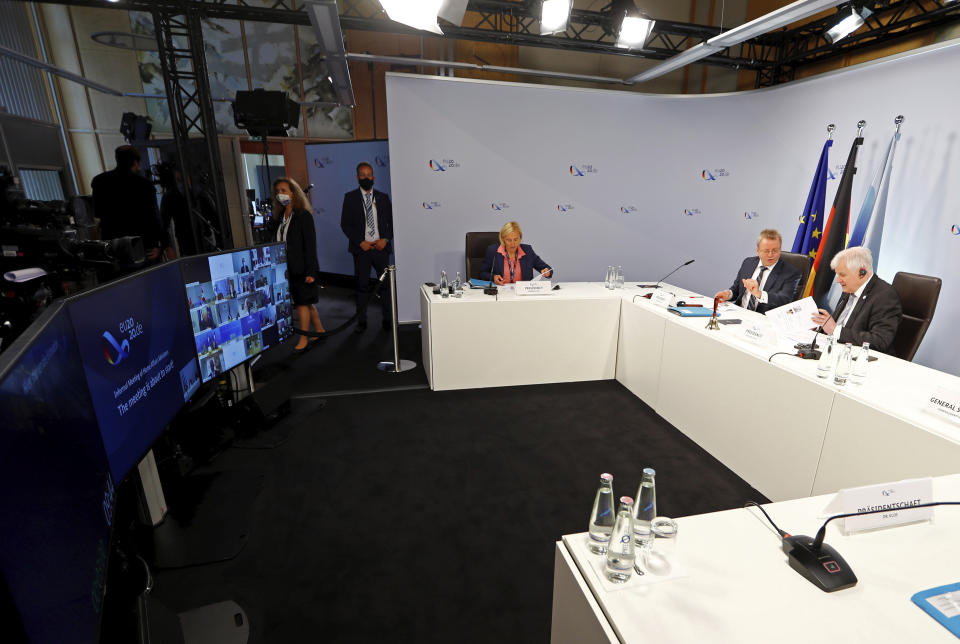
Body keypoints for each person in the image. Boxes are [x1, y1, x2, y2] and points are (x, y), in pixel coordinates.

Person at [810, 246, 902, 354]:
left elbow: (880, 341)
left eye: (842, 275)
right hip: (836, 351)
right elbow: (840, 325)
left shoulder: (885, 296)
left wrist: (835, 330)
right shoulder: (849, 289)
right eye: (837, 275)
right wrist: (820, 327)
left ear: (862, 272)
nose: (838, 280)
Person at [92, 145, 172, 263]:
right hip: (143, 249)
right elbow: (154, 218)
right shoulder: (145, 185)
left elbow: (97, 212)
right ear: (135, 162)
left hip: (114, 250)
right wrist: (164, 245)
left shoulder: (99, 181)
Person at [272, 176, 325, 354]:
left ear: (293, 193)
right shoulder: (280, 216)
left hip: (302, 268)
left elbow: (310, 246)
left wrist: (311, 271)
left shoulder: (303, 215)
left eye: (284, 190)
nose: (280, 194)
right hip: (286, 268)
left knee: (302, 303)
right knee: (307, 302)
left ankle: (303, 338)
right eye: (278, 191)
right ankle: (319, 330)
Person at [340, 161, 394, 333]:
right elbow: (345, 224)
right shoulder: (350, 197)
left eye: (369, 175)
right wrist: (360, 242)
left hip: (380, 248)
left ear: (374, 177)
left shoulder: (383, 197)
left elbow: (393, 223)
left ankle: (387, 319)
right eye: (362, 175)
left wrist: (385, 239)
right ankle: (361, 321)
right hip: (362, 249)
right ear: (357, 178)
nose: (366, 178)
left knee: (386, 286)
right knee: (361, 286)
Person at [714, 229, 801, 313]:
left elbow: (784, 300)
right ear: (758, 251)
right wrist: (727, 294)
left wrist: (758, 293)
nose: (771, 255)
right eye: (766, 251)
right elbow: (736, 290)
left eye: (775, 250)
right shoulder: (748, 263)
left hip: (763, 320)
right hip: (739, 312)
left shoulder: (791, 273)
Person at [478, 221, 551, 285]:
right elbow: (482, 273)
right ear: (503, 239)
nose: (513, 244)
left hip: (523, 294)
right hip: (501, 292)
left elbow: (547, 268)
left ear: (520, 238)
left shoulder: (527, 250)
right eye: (509, 240)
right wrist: (493, 277)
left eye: (516, 239)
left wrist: (547, 272)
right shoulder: (493, 251)